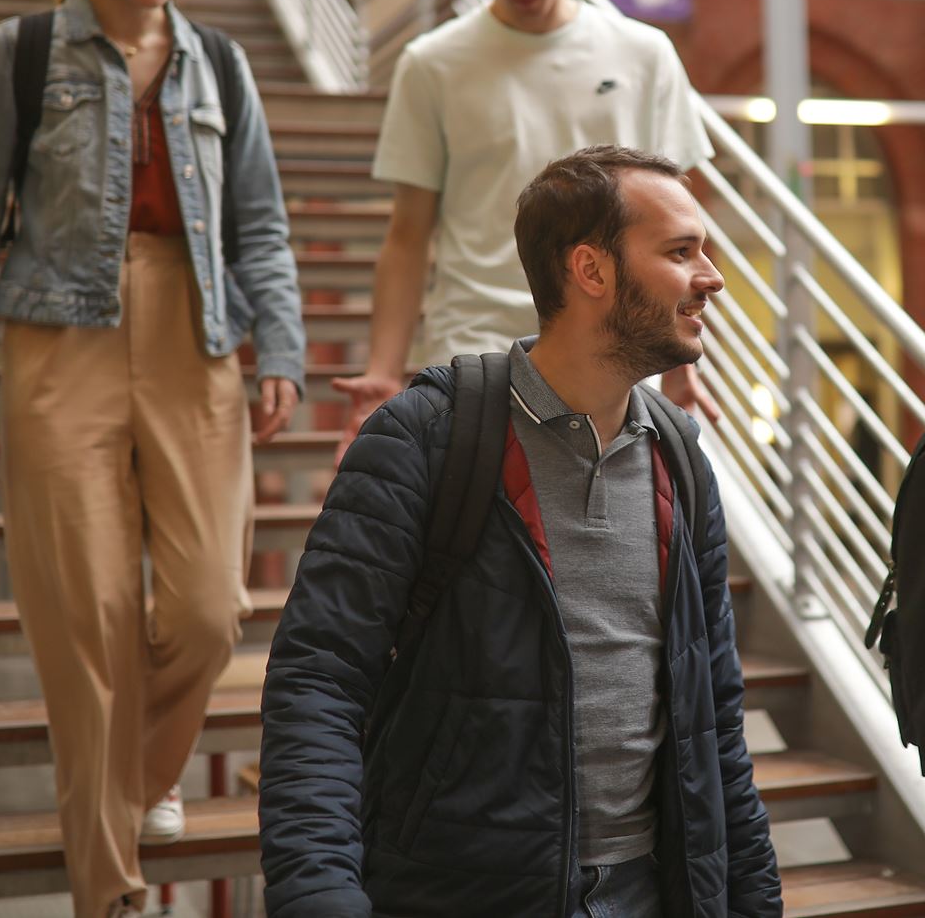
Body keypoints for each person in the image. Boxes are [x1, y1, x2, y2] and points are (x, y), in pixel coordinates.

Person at [0, 0, 307, 918]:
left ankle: (140, 777)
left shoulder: (221, 66)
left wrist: (274, 346)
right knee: (87, 616)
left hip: (196, 340)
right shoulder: (25, 51)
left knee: (203, 609)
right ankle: (111, 890)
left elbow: (261, 228)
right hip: (57, 344)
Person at [258, 146, 780, 918]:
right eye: (681, 251)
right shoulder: (427, 436)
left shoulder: (683, 460)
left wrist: (752, 901)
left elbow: (715, 724)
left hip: (648, 892)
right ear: (591, 271)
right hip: (463, 892)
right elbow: (318, 682)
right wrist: (319, 895)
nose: (712, 276)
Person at [331, 0, 717, 446]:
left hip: (614, 338)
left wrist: (682, 352)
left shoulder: (643, 54)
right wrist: (383, 370)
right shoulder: (432, 65)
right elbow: (408, 233)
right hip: (477, 343)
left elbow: (681, 229)